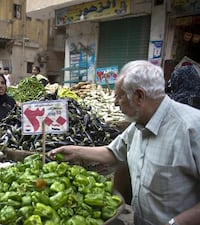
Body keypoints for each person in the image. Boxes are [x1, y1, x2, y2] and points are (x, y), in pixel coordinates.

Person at [48, 60, 200, 225]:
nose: (114, 103)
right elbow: (113, 152)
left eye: (119, 97)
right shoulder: (138, 126)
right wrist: (75, 151)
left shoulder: (192, 128)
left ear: (139, 96)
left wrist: (176, 223)